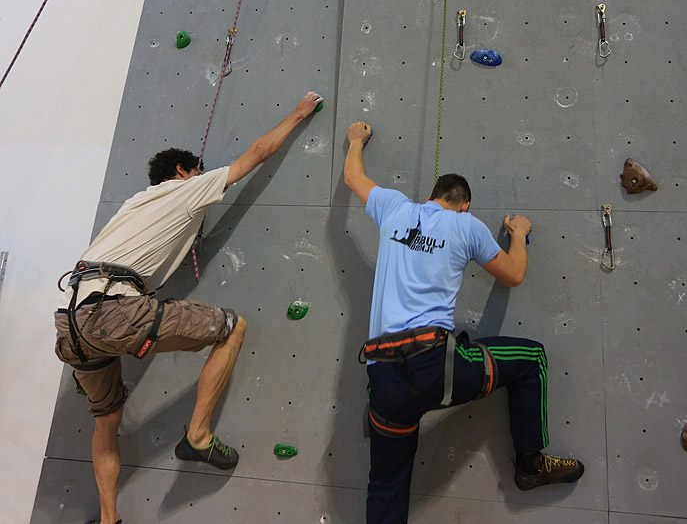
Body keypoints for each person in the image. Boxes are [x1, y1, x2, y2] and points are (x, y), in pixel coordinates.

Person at [54, 91, 323, 524]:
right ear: (182, 172)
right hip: (114, 311)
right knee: (232, 327)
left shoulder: (133, 205)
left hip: (73, 323)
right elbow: (252, 156)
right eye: (197, 170)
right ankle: (197, 436)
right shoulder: (185, 190)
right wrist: (297, 113)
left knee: (107, 420)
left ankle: (109, 520)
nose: (203, 177)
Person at [343, 121, 585, 523]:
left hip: (382, 376)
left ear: (429, 198)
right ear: (465, 206)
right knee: (532, 359)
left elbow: (354, 176)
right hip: (434, 368)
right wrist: (519, 235)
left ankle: (382, 423)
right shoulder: (466, 226)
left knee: (386, 488)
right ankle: (530, 465)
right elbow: (513, 274)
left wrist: (355, 140)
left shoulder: (394, 207)